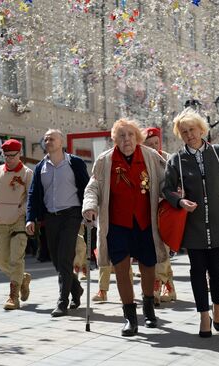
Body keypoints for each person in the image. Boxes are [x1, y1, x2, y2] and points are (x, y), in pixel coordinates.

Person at [163, 109, 219, 338]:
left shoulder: (218, 153)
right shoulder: (176, 159)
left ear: (201, 129)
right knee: (197, 271)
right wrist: (180, 201)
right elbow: (166, 188)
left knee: (217, 270)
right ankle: (203, 315)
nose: (189, 135)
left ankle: (217, 307)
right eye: (184, 132)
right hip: (194, 225)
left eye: (192, 130)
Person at [83, 119, 167, 336]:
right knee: (120, 268)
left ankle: (148, 309)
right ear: (115, 139)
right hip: (118, 224)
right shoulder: (105, 160)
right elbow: (93, 187)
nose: (126, 139)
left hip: (144, 222)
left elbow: (166, 181)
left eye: (130, 134)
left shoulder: (150, 156)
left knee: (148, 266)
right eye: (121, 135)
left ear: (137, 137)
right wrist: (90, 206)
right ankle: (130, 317)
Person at [26, 129, 90, 317]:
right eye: (45, 139)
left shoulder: (74, 162)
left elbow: (86, 187)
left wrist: (89, 210)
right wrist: (31, 217)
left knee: (64, 257)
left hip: (71, 215)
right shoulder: (40, 167)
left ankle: (62, 302)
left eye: (52, 138)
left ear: (61, 141)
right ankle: (76, 289)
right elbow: (33, 194)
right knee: (56, 259)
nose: (48, 141)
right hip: (51, 217)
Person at [0, 139, 34, 310]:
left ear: (19, 154)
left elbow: (30, 198)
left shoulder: (27, 173)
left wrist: (19, 212)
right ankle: (22, 278)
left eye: (12, 156)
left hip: (18, 222)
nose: (8, 159)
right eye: (5, 156)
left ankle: (13, 296)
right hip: (0, 221)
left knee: (16, 258)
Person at [142, 127, 176, 305]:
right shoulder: (142, 159)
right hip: (146, 210)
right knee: (153, 249)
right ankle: (168, 285)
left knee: (162, 247)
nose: (154, 147)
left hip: (165, 210)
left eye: (156, 142)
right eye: (150, 144)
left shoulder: (169, 159)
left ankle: (157, 284)